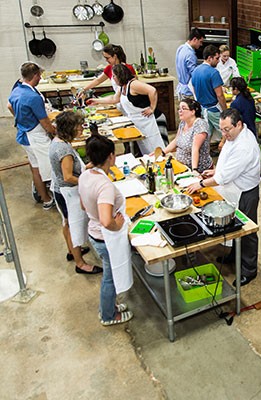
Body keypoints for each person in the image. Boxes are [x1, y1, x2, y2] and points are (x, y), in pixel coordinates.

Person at [186, 109, 260, 286]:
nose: (224, 134)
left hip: (245, 193)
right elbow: (226, 165)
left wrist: (201, 184)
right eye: (222, 130)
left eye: (227, 129)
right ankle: (234, 256)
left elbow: (223, 178)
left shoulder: (244, 146)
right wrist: (216, 170)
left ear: (239, 124)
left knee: (247, 231)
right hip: (234, 186)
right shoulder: (234, 136)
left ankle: (249, 270)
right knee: (234, 227)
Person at [79, 133, 133, 326]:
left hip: (93, 233)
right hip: (105, 237)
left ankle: (110, 306)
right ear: (111, 156)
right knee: (109, 278)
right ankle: (108, 315)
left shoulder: (85, 175)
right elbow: (105, 220)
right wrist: (116, 224)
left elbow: (84, 206)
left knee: (110, 275)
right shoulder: (104, 186)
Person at [49, 111, 100, 274]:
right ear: (69, 128)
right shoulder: (64, 150)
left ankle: (72, 251)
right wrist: (87, 181)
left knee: (66, 222)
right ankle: (80, 263)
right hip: (67, 193)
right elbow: (68, 176)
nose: (81, 130)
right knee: (74, 227)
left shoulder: (58, 141)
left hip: (59, 190)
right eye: (79, 127)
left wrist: (87, 168)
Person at [7, 62, 55, 210]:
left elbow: (9, 106)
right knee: (51, 167)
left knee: (35, 168)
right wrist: (55, 132)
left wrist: (20, 118)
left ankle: (46, 199)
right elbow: (45, 122)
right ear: (35, 76)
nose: (40, 78)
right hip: (36, 137)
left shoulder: (17, 90)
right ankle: (56, 196)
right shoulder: (33, 97)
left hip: (24, 134)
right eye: (39, 75)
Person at [88, 64, 165, 155]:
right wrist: (96, 101)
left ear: (120, 75)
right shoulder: (123, 86)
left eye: (114, 76)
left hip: (150, 122)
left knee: (157, 151)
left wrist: (152, 107)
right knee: (147, 152)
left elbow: (152, 90)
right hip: (139, 123)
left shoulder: (133, 84)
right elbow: (114, 99)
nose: (113, 78)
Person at [191, 45, 227, 147]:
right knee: (227, 133)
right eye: (217, 58)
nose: (218, 61)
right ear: (209, 58)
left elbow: (194, 89)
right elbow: (220, 95)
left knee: (205, 135)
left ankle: (205, 155)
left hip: (203, 108)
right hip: (214, 110)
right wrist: (225, 111)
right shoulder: (213, 73)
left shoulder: (196, 71)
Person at [162, 98, 212, 172]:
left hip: (199, 169)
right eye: (179, 109)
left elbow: (195, 148)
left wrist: (194, 170)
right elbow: (176, 140)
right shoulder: (183, 122)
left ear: (192, 111)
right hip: (182, 166)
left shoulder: (200, 125)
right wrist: (162, 152)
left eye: (183, 108)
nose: (180, 111)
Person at [175, 28, 205, 100]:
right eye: (200, 42)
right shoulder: (190, 54)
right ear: (195, 39)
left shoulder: (181, 48)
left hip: (181, 88)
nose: (201, 44)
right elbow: (194, 74)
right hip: (188, 90)